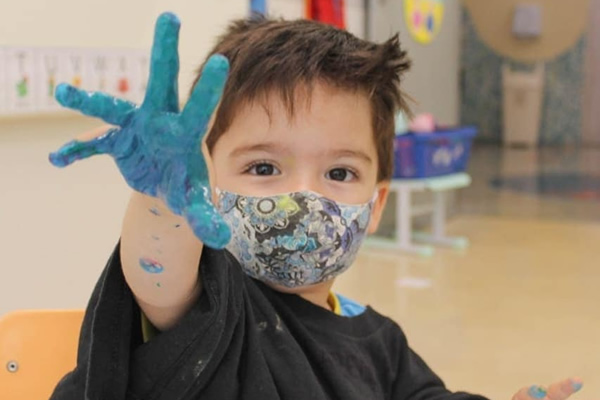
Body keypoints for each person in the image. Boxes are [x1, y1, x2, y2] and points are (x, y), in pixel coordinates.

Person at [47, 12, 584, 400]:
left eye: (339, 173)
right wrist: (164, 200)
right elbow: (158, 274)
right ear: (205, 181)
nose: (303, 199)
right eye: (263, 168)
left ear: (375, 206)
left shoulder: (379, 339)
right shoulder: (209, 302)